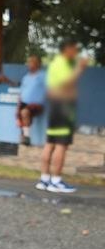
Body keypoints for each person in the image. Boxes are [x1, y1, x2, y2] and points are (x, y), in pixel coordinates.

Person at [36, 41, 89, 193]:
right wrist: (80, 68)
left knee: (50, 143)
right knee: (61, 145)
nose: (76, 53)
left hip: (55, 107)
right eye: (74, 49)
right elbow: (67, 83)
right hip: (63, 108)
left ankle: (44, 179)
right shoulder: (62, 64)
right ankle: (56, 181)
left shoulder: (54, 64)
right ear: (67, 49)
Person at [16, 55, 46, 146]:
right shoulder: (26, 77)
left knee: (25, 112)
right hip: (24, 103)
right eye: (29, 62)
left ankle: (27, 137)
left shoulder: (43, 75)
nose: (29, 64)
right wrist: (18, 106)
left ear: (38, 64)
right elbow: (21, 93)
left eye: (32, 62)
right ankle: (24, 136)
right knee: (20, 114)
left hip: (37, 104)